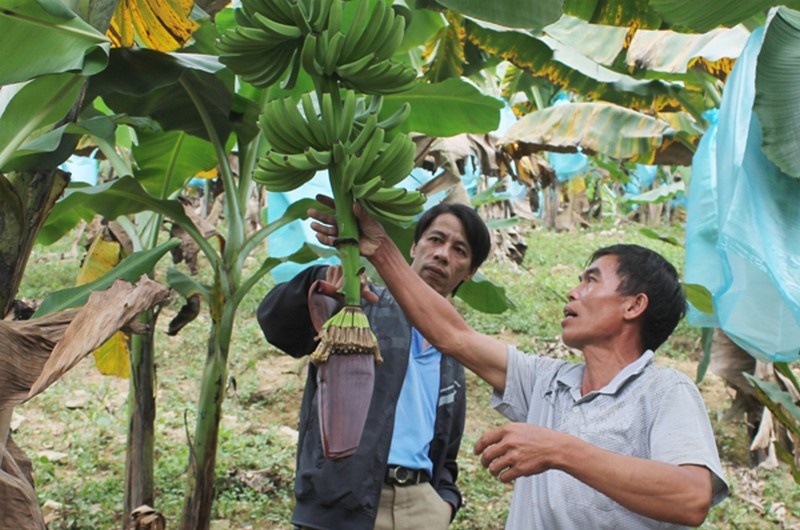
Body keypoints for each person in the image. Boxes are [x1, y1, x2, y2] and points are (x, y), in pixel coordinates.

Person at [308, 196, 730, 529]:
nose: (573, 291)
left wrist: (560, 449)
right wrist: (381, 250)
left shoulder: (664, 392)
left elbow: (690, 498)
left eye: (591, 280)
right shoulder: (547, 382)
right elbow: (453, 334)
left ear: (634, 306)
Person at [257, 201, 492, 530]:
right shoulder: (359, 308)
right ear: (413, 245)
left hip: (420, 510)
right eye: (435, 240)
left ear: (469, 272)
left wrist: (445, 501)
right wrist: (321, 285)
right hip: (341, 507)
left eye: (459, 250)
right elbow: (276, 326)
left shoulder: (455, 351)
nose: (442, 254)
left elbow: (446, 449)